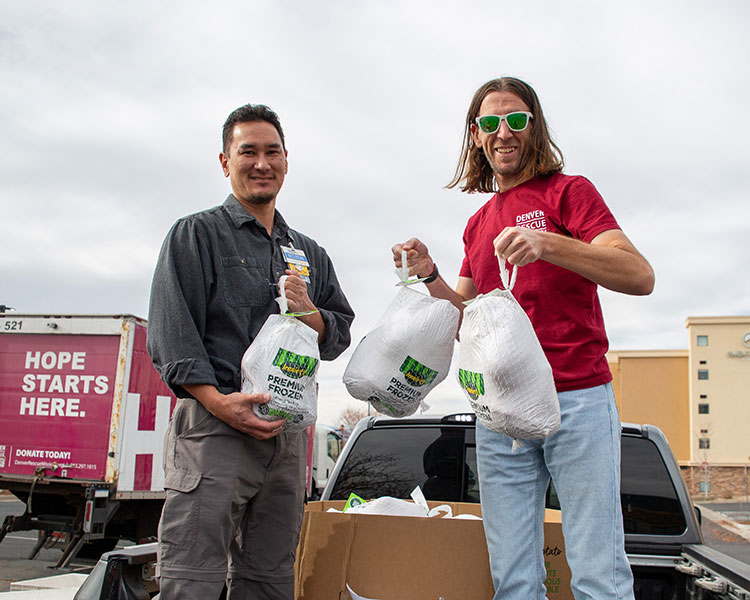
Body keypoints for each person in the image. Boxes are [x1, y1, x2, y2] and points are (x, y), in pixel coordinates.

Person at [393, 77, 654, 599]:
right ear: (476, 135)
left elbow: (638, 275)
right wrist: (428, 274)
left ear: (534, 125)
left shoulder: (570, 192)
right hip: (498, 411)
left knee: (598, 572)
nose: (503, 132)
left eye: (515, 119)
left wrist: (549, 243)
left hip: (576, 399)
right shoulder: (478, 223)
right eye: (490, 123)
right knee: (512, 578)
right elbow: (465, 317)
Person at [147, 103, 354, 599]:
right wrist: (221, 404)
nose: (262, 163)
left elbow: (338, 333)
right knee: (191, 576)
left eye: (272, 152)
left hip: (285, 440)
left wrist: (307, 309)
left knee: (269, 578)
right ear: (225, 161)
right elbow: (173, 334)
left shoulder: (308, 252)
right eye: (248, 152)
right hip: (214, 427)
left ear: (286, 161)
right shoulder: (195, 235)